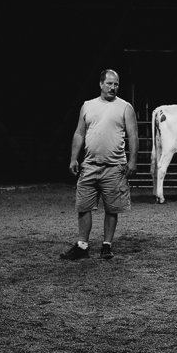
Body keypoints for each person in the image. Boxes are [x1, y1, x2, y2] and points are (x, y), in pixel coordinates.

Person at [60, 69, 138, 260]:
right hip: (90, 165)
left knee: (112, 208)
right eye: (110, 83)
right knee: (83, 206)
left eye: (116, 84)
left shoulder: (125, 108)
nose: (113, 87)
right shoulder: (87, 106)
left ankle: (106, 245)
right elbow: (79, 133)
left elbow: (133, 135)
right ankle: (82, 245)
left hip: (114, 167)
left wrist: (133, 161)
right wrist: (73, 158)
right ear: (101, 84)